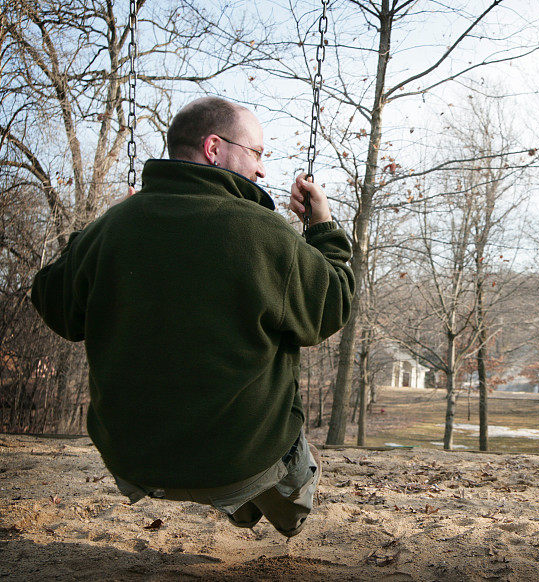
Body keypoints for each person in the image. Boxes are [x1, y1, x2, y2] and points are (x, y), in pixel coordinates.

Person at [31, 96, 355, 538]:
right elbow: (332, 306)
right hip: (240, 459)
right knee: (288, 483)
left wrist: (93, 232)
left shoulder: (114, 227)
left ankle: (231, 494)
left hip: (134, 459)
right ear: (213, 148)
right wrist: (322, 227)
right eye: (258, 153)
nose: (262, 170)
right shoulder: (263, 232)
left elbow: (55, 304)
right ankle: (262, 501)